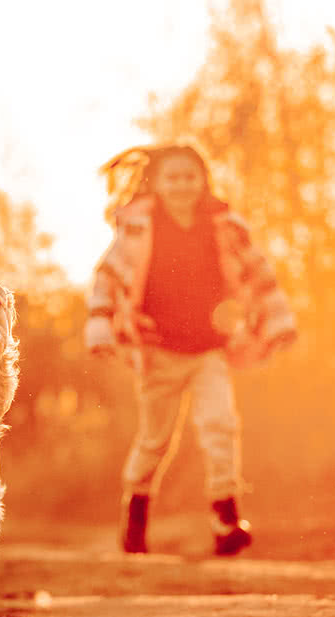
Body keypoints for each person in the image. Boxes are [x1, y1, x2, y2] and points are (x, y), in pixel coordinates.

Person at [84, 144, 297, 556]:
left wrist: (279, 323)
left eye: (190, 176)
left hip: (209, 351)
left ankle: (225, 516)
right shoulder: (138, 228)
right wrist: (99, 327)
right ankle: (137, 510)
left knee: (221, 425)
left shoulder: (224, 227)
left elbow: (260, 274)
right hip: (157, 351)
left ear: (203, 181)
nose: (181, 185)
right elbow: (107, 278)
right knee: (155, 440)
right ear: (156, 184)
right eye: (172, 177)